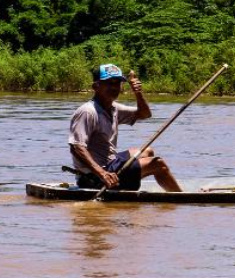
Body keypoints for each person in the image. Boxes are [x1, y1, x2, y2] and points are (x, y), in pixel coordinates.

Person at [68, 63, 182, 192]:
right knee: (158, 164)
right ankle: (181, 197)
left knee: (147, 151)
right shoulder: (88, 112)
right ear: (96, 86)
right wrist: (102, 173)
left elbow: (144, 114)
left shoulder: (113, 108)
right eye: (109, 83)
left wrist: (138, 93)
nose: (114, 87)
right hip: (95, 177)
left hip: (110, 164)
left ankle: (131, 179)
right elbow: (76, 147)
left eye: (117, 83)